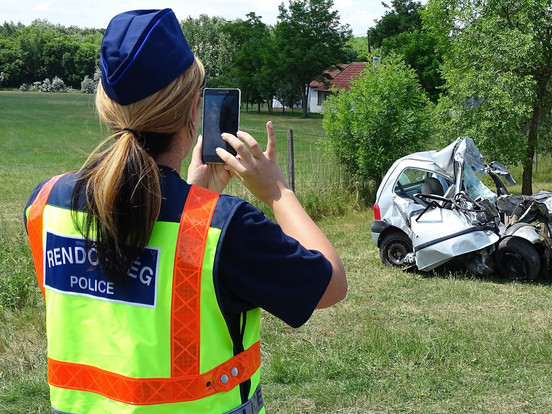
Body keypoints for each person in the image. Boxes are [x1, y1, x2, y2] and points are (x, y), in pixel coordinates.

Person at [23, 8, 346, 414]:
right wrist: (277, 190)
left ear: (106, 106)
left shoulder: (46, 202)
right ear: (195, 110)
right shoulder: (227, 228)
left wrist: (195, 195)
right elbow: (330, 285)